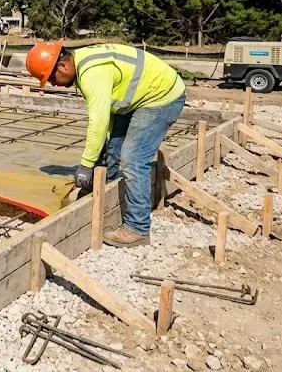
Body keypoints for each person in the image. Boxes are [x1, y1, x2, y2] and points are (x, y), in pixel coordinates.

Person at [27, 41, 185, 247]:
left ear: (63, 67)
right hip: (136, 100)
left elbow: (98, 119)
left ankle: (138, 228)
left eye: (50, 78)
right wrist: (102, 150)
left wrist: (85, 165)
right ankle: (100, 194)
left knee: (133, 159)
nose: (52, 84)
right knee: (112, 148)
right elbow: (108, 114)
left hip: (161, 98)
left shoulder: (91, 73)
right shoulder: (82, 64)